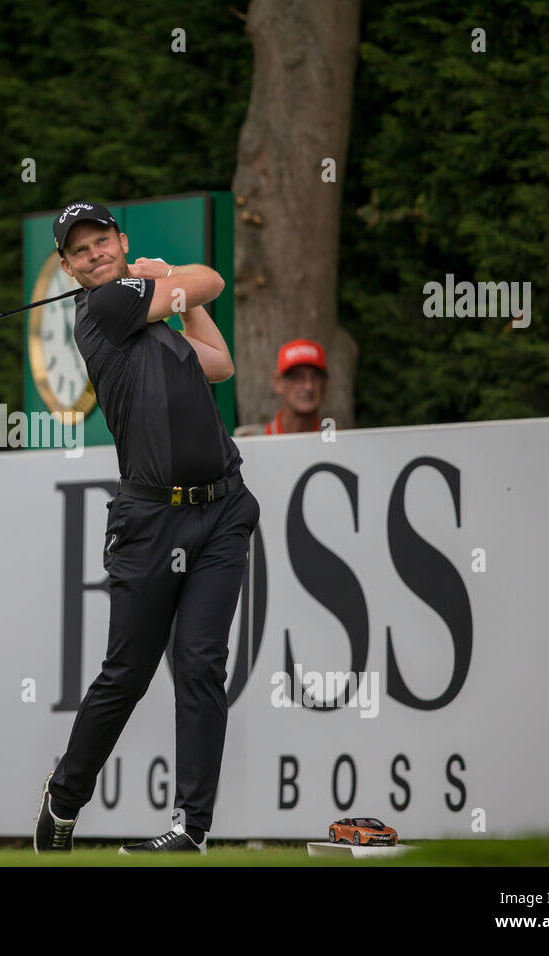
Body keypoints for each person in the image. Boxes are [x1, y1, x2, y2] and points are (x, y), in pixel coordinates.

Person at [33, 202, 260, 855]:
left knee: (199, 662)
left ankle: (191, 827)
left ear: (120, 241)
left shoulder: (150, 319)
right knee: (127, 673)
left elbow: (218, 363)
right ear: (72, 270)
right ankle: (65, 797)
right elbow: (212, 277)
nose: (95, 254)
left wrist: (178, 296)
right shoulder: (106, 307)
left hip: (221, 510)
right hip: (151, 520)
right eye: (80, 251)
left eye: (102, 241)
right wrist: (170, 275)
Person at [264, 339, 328, 435]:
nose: (308, 386)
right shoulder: (254, 442)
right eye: (297, 377)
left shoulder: (341, 442)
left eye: (315, 377)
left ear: (325, 384)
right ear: (278, 382)